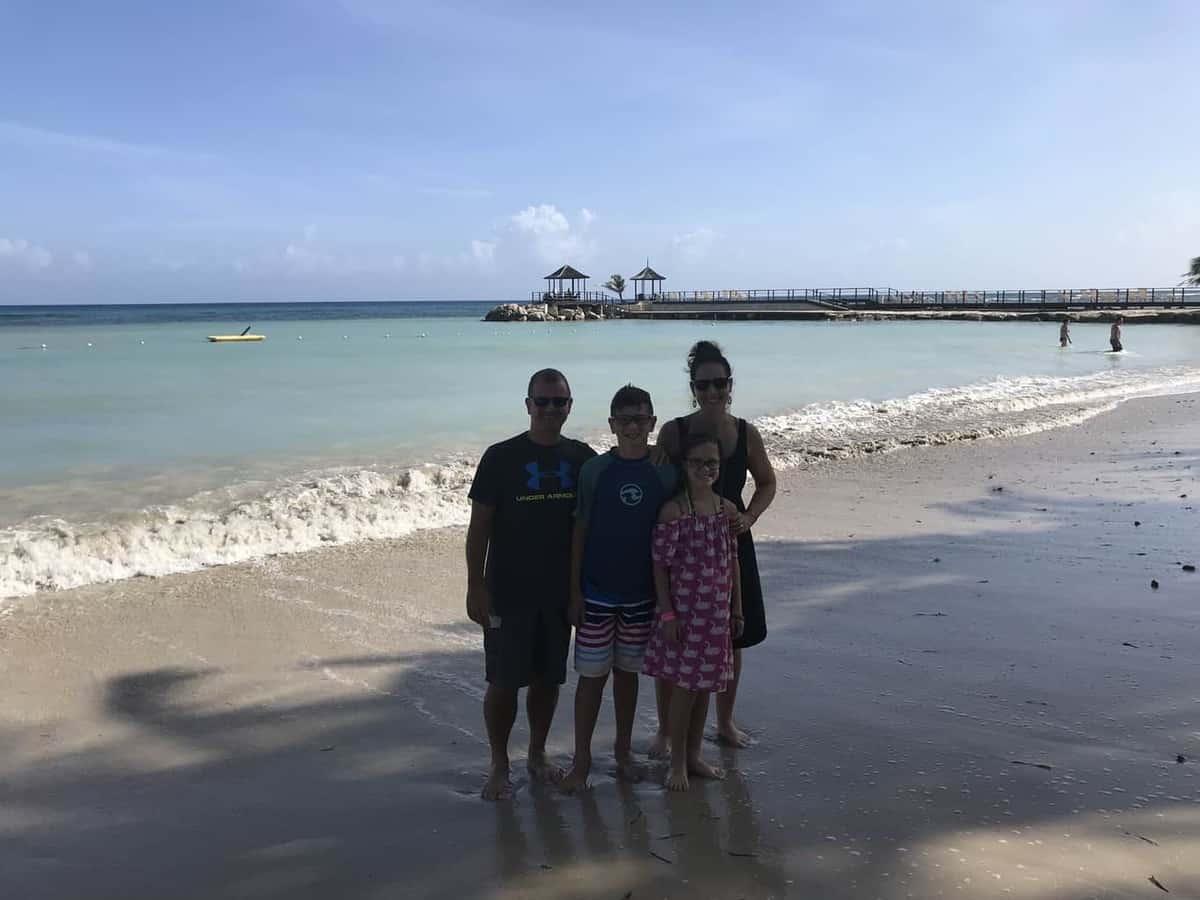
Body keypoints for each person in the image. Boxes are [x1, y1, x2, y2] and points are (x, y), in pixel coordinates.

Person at [466, 368, 597, 801]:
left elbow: (603, 512)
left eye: (559, 402)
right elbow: (479, 528)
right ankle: (499, 763)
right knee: (503, 681)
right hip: (508, 588)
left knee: (547, 679)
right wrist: (475, 586)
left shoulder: (582, 459)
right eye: (542, 401)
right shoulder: (500, 457)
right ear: (527, 405)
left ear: (569, 406)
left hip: (559, 592)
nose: (550, 410)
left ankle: (537, 754)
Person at [651, 340, 776, 753]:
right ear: (693, 388)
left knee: (732, 637)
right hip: (684, 551)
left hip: (730, 545)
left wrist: (750, 517)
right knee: (677, 641)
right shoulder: (675, 431)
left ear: (730, 385)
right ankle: (667, 733)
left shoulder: (744, 432)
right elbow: (655, 488)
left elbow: (767, 482)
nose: (711, 393)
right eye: (702, 385)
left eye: (718, 384)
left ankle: (724, 722)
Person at [560, 385, 678, 794]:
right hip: (596, 594)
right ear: (611, 424)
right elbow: (580, 529)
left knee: (628, 676)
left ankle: (624, 752)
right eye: (624, 420)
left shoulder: (665, 472)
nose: (632, 427)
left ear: (652, 423)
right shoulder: (595, 471)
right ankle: (582, 761)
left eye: (640, 419)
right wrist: (574, 591)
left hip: (642, 596)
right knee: (591, 679)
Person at [642, 431, 743, 791]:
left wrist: (737, 610)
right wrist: (667, 615)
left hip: (716, 618)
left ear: (720, 466)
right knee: (683, 690)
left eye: (712, 462)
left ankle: (696, 754)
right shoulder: (674, 512)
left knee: (705, 689)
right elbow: (660, 567)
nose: (705, 468)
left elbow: (734, 563)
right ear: (684, 466)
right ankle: (678, 762)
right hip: (684, 618)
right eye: (697, 462)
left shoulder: (726, 510)